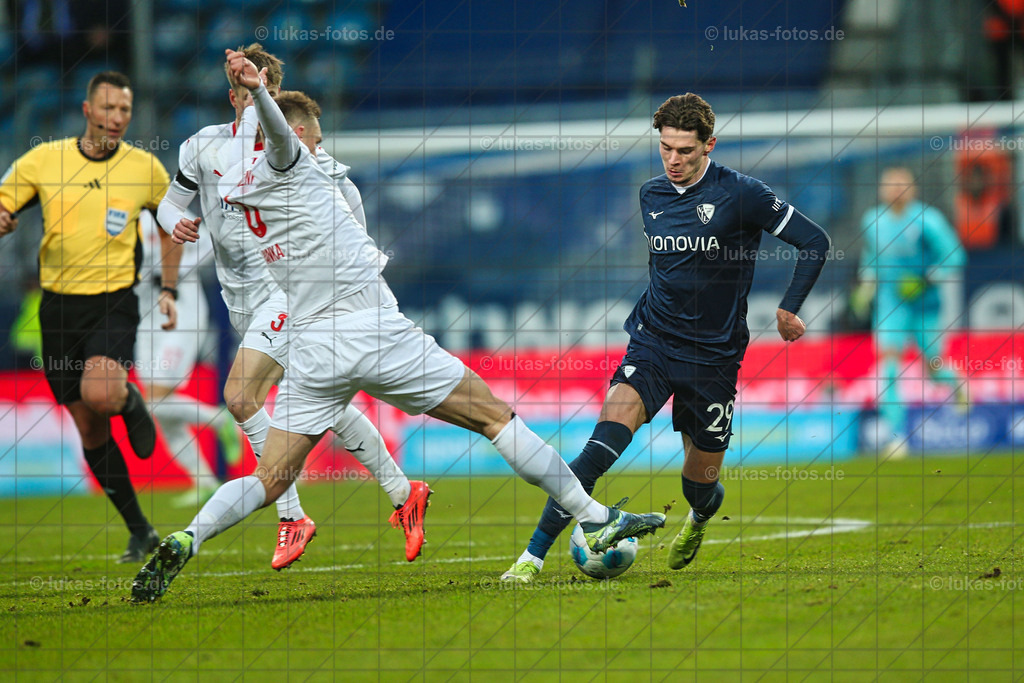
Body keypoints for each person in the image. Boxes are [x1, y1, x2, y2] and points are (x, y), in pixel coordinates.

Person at [130, 51, 666, 603]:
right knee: (492, 416)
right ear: (291, 135)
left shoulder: (239, 186)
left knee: (270, 479)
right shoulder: (291, 164)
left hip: (312, 345)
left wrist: (252, 105)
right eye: (308, 138)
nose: (317, 147)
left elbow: (235, 163)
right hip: (372, 326)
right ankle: (594, 516)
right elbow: (280, 139)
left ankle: (188, 537)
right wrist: (261, 91)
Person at [500, 93, 833, 583]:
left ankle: (698, 518)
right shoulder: (651, 194)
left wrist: (788, 308)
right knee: (599, 448)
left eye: (685, 151)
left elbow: (816, 242)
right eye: (665, 149)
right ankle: (529, 559)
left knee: (700, 485)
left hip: (715, 359)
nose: (673, 160)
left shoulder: (744, 195)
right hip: (653, 343)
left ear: (709, 146)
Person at [155, 43, 430, 569]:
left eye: (271, 92)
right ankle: (403, 494)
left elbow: (352, 235)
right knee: (328, 403)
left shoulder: (310, 165)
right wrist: (176, 224)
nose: (261, 102)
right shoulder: (203, 148)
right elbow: (171, 205)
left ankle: (290, 514)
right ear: (232, 95)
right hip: (238, 301)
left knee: (239, 398)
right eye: (249, 91)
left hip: (288, 297)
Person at [0, 71, 178, 563]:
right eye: (108, 109)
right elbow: (3, 203)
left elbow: (173, 227)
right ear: (86, 110)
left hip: (113, 300)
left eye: (124, 110)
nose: (117, 118)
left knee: (102, 394)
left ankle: (127, 399)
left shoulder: (143, 167)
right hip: (57, 308)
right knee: (90, 430)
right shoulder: (44, 159)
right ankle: (140, 530)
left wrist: (169, 287)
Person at [850, 167, 967, 460]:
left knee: (933, 366)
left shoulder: (928, 219)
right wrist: (866, 288)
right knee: (889, 366)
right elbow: (871, 259)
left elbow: (955, 256)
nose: (894, 190)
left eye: (900, 184)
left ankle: (954, 382)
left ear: (912, 188)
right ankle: (896, 437)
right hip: (891, 302)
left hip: (926, 304)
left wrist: (928, 278)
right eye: (889, 185)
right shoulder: (873, 220)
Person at [135, 209, 238, 508]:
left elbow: (208, 243)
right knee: (157, 408)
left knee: (155, 399)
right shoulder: (122, 218)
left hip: (181, 315)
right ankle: (204, 482)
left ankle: (220, 421)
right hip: (145, 319)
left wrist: (176, 271)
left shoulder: (169, 213)